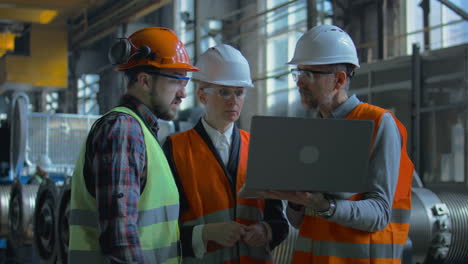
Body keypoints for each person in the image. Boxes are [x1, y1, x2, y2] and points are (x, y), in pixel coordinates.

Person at [262, 24, 414, 263]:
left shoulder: (377, 123)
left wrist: (324, 205)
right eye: (298, 74)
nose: (299, 83)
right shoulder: (308, 131)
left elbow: (380, 213)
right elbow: (298, 221)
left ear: (339, 79)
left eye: (308, 75)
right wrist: (295, 199)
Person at [68, 27, 199, 264]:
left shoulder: (140, 131)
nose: (183, 94)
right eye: (177, 79)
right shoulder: (123, 130)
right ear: (145, 81)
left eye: (185, 81)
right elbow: (120, 238)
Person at [163, 44, 289, 263]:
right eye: (224, 92)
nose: (234, 101)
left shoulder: (260, 148)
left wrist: (265, 229)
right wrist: (205, 234)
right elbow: (161, 231)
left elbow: (279, 222)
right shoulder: (174, 150)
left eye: (239, 93)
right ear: (202, 95)